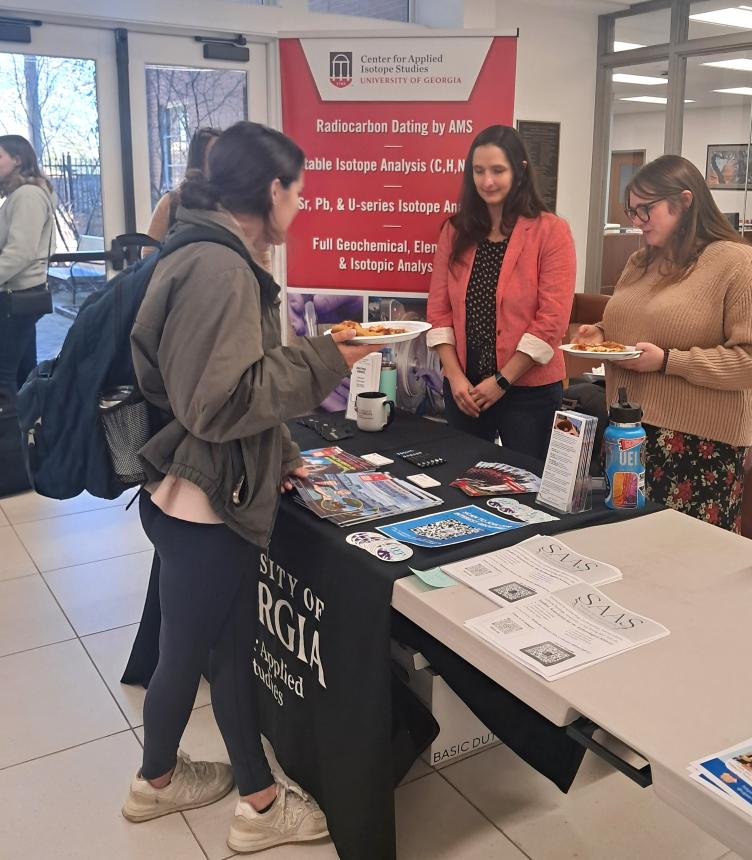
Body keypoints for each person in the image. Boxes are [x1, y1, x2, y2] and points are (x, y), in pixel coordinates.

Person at [123, 121, 376, 854]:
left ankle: (173, 783)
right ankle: (241, 804)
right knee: (211, 654)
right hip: (205, 502)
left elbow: (190, 383)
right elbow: (218, 400)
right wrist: (330, 356)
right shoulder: (222, 270)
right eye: (299, 191)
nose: (302, 205)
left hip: (184, 487)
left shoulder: (195, 249)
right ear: (273, 190)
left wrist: (280, 448)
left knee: (206, 648)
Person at [574, 154, 752, 533]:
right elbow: (632, 319)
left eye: (646, 210)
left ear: (685, 202)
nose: (637, 222)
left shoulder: (740, 264)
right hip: (629, 433)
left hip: (697, 446)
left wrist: (670, 361)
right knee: (626, 545)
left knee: (681, 561)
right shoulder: (642, 261)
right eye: (631, 211)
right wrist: (601, 333)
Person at [426, 124, 575, 461]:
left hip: (528, 393)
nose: (487, 181)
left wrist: (501, 382)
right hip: (465, 392)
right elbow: (438, 312)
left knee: (527, 494)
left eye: (497, 170)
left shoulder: (551, 231)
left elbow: (551, 321)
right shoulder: (454, 231)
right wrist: (455, 378)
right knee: (460, 483)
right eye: (479, 171)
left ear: (520, 170)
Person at [0, 134, 56, 397]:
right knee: (23, 374)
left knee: (4, 378)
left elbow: (19, 252)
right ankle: (29, 434)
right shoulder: (20, 196)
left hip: (16, 297)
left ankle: (11, 437)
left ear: (18, 159)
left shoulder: (27, 196)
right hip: (19, 297)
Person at [145, 126, 221, 245]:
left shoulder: (232, 201)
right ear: (199, 161)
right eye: (214, 154)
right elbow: (149, 251)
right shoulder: (172, 202)